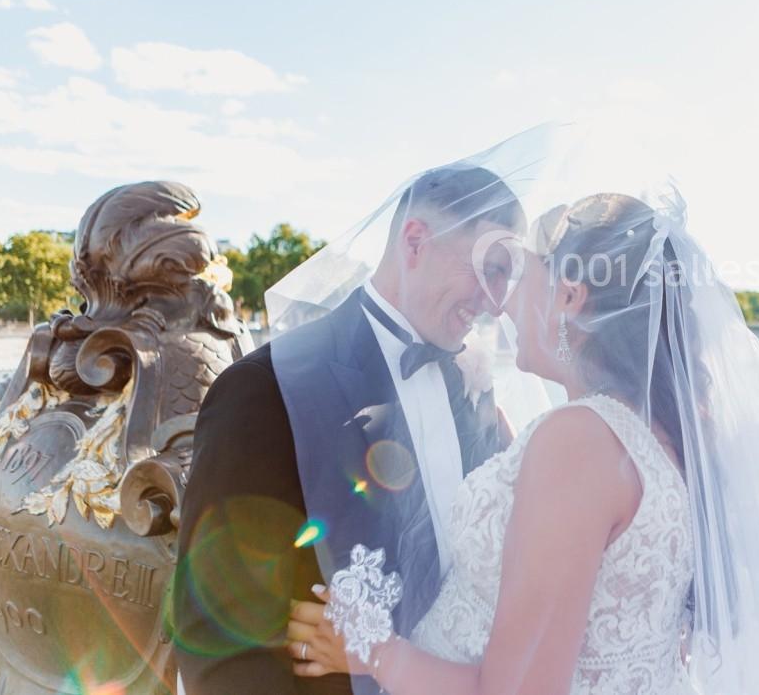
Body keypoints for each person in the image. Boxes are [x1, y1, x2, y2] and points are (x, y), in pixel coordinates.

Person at [285, 181, 759, 694]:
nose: (500, 304)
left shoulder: (578, 440)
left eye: (518, 275)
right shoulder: (664, 432)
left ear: (570, 296)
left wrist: (374, 652)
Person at [173, 162, 526, 695]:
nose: (496, 301)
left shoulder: (471, 385)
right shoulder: (264, 391)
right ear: (415, 241)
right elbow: (220, 642)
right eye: (489, 268)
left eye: (507, 277)